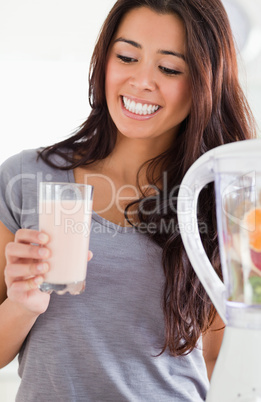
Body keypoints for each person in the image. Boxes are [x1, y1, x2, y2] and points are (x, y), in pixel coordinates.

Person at [0, 0, 256, 401]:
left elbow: (222, 360)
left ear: (206, 81)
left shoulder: (223, 200)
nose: (141, 81)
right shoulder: (25, 179)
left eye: (169, 68)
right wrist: (22, 305)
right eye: (126, 56)